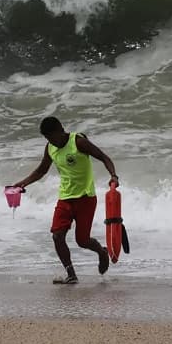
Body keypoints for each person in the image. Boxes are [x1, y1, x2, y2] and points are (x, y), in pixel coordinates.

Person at [13, 116, 118, 284]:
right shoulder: (50, 148)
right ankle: (71, 273)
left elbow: (104, 157)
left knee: (82, 241)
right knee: (57, 235)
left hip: (85, 198)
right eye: (47, 138)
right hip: (65, 198)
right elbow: (41, 171)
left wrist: (113, 176)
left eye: (52, 137)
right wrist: (22, 183)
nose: (50, 141)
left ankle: (101, 252)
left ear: (61, 130)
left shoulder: (78, 142)